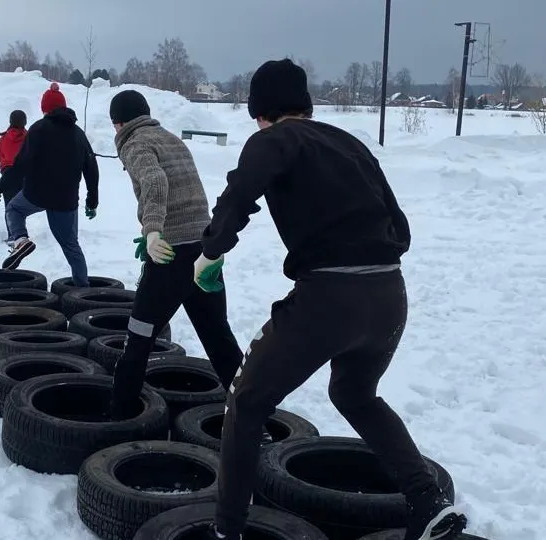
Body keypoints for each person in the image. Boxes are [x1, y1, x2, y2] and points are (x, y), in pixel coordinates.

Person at [192, 59, 467, 540]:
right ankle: (426, 500)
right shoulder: (350, 143)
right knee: (355, 394)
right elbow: (399, 226)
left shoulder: (273, 140)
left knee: (247, 400)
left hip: (328, 300)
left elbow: (240, 194)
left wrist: (210, 250)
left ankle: (226, 531)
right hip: (389, 296)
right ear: (307, 103)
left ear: (261, 110)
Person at [104, 89, 247, 423]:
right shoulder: (169, 138)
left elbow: (155, 181)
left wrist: (153, 231)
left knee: (138, 337)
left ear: (118, 123)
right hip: (205, 253)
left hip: (170, 256)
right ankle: (252, 417)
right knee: (218, 337)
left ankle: (118, 418)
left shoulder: (134, 143)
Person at [0, 82, 99, 284]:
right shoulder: (78, 134)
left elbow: (20, 164)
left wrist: (0, 187)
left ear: (44, 109)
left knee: (14, 209)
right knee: (71, 246)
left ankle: (21, 240)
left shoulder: (38, 129)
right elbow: (91, 168)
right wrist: (92, 201)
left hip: (36, 194)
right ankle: (84, 293)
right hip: (65, 200)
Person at [0, 109, 28, 239]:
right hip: (24, 175)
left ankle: (13, 236)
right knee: (21, 206)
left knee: (10, 206)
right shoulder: (29, 137)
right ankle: (21, 234)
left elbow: (0, 156)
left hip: (7, 176)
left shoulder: (4, 139)